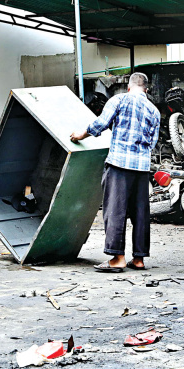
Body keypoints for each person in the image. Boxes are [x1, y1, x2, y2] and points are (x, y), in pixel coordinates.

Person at [70, 72, 160, 272]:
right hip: (142, 168)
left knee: (115, 210)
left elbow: (101, 123)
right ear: (146, 90)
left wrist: (81, 134)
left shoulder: (119, 100)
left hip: (119, 164)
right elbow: (153, 142)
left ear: (128, 87)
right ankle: (139, 259)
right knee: (140, 214)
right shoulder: (154, 110)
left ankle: (117, 258)